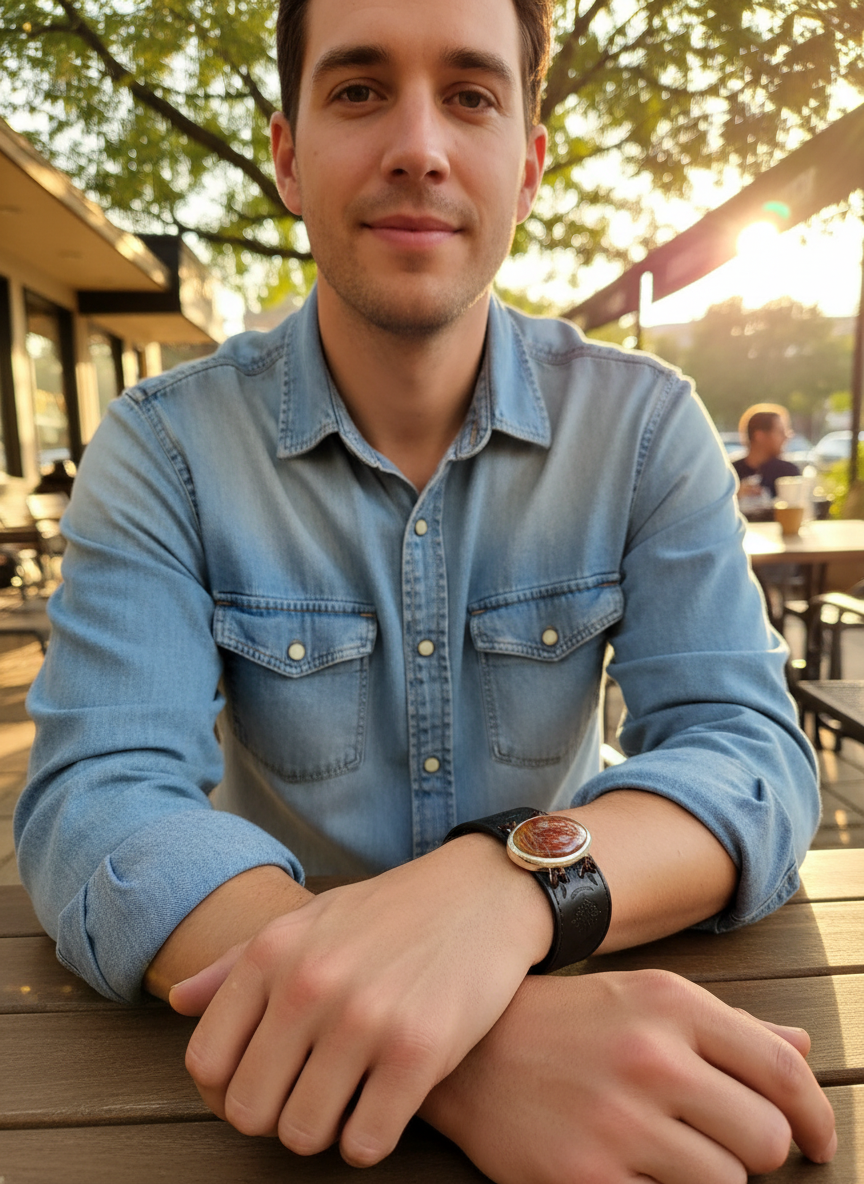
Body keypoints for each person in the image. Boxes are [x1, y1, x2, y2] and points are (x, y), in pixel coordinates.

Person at [15, 0, 836, 1180]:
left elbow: (748, 750)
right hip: (508, 1058)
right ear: (286, 156)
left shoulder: (646, 425)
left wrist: (503, 884)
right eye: (356, 90)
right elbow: (96, 804)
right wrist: (463, 1048)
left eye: (470, 93)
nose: (418, 144)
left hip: (536, 997)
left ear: (529, 159)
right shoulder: (165, 444)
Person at [733, 403, 800, 513]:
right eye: (780, 432)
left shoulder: (789, 473)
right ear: (759, 436)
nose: (786, 437)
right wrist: (735, 495)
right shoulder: (731, 473)